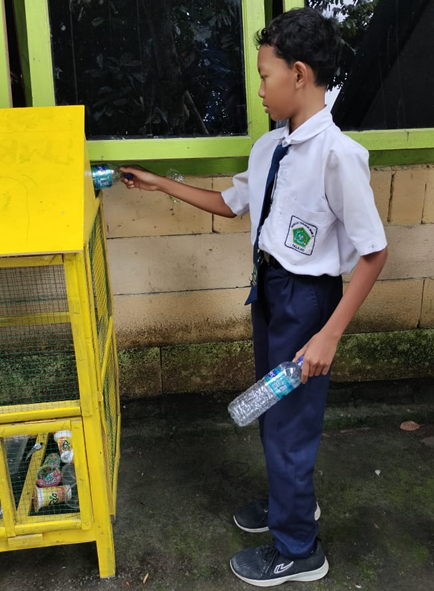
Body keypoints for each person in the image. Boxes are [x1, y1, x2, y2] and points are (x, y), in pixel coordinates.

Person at [121, 7, 388, 587]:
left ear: (299, 74)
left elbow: (373, 253)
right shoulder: (271, 147)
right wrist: (160, 182)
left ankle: (299, 551)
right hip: (267, 289)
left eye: (265, 76)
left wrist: (329, 335)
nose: (260, 89)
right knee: (272, 407)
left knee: (292, 425)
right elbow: (230, 203)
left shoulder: (338, 156)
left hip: (308, 301)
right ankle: (290, 504)